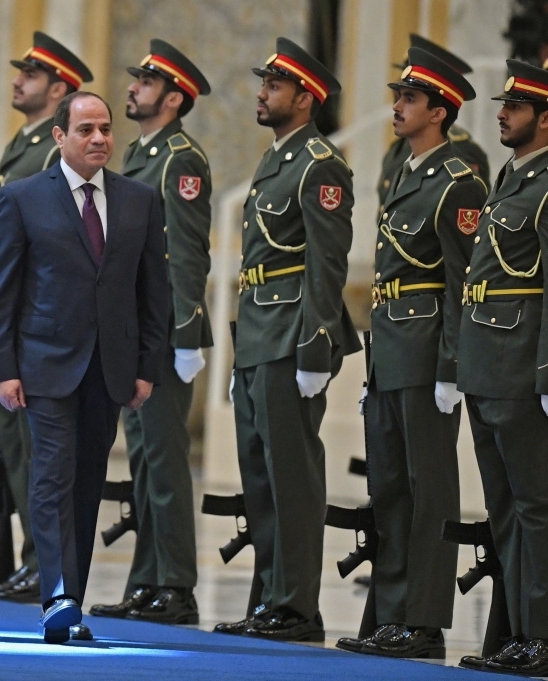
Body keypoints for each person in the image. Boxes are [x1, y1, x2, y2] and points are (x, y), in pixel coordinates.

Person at [0, 91, 168, 644]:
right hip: (43, 364)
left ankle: (73, 600)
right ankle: (57, 594)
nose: (99, 139)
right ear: (60, 137)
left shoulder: (139, 200)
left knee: (88, 483)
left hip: (108, 368)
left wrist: (145, 367)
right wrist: (3, 367)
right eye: (85, 129)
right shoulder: (22, 198)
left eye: (105, 129)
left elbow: (154, 292)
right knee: (51, 476)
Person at [335, 47, 486, 659]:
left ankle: (423, 621)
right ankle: (391, 613)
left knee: (430, 490)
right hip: (392, 346)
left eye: (409, 99)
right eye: (398, 97)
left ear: (439, 110)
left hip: (426, 353)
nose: (396, 106)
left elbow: (461, 283)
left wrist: (452, 366)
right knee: (392, 487)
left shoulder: (458, 181)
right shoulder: (409, 170)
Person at [215, 37, 361, 642]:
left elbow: (326, 266)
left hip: (290, 336)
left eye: (274, 86)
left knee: (292, 477)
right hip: (258, 334)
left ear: (305, 98)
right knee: (261, 477)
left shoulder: (320, 163)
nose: (261, 93)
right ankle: (271, 599)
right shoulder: (276, 159)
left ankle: (297, 607)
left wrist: (317, 347)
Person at [89, 39, 210, 626]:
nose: (133, 88)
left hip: (162, 333)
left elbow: (186, 253)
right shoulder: (138, 158)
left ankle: (177, 588)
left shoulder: (180, 160)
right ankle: (146, 581)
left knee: (164, 462)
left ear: (173, 97)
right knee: (141, 463)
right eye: (136, 78)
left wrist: (187, 331)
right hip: (133, 331)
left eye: (146, 82)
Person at [0, 32, 93, 608]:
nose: (18, 80)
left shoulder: (55, 158)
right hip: (15, 325)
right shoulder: (23, 144)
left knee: (41, 456)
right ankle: (30, 557)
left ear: (59, 89)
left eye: (32, 74)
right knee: (18, 451)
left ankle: (37, 562)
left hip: (40, 329)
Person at [456, 60, 548, 675]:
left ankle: (540, 638)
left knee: (536, 505)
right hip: (486, 364)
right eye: (504, 104)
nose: (501, 113)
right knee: (504, 508)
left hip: (521, 366)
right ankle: (516, 631)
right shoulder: (511, 182)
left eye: (515, 107)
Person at [377, 34, 489, 207]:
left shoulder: (462, 155)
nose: (397, 103)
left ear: (437, 113)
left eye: (410, 97)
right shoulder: (400, 150)